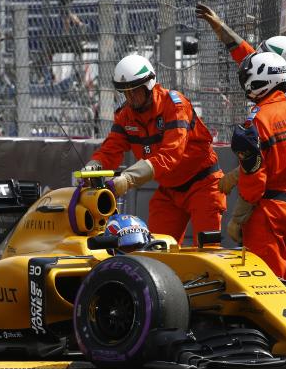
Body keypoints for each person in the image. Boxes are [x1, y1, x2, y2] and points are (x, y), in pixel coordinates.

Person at [83, 54, 226, 243]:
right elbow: (111, 148)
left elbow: (170, 155)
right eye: (125, 92)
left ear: (149, 85)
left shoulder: (175, 106)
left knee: (208, 251)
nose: (130, 97)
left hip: (203, 185)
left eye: (135, 91)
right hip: (168, 190)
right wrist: (94, 167)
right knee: (157, 249)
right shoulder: (125, 115)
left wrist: (127, 179)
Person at [195, 2, 286, 196]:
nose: (256, 58)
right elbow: (246, 54)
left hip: (275, 188)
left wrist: (236, 176)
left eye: (263, 54)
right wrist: (220, 27)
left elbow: (267, 153)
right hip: (285, 189)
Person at [227, 52, 286, 282]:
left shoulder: (257, 121)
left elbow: (254, 182)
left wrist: (237, 219)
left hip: (268, 212)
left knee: (267, 283)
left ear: (261, 80)